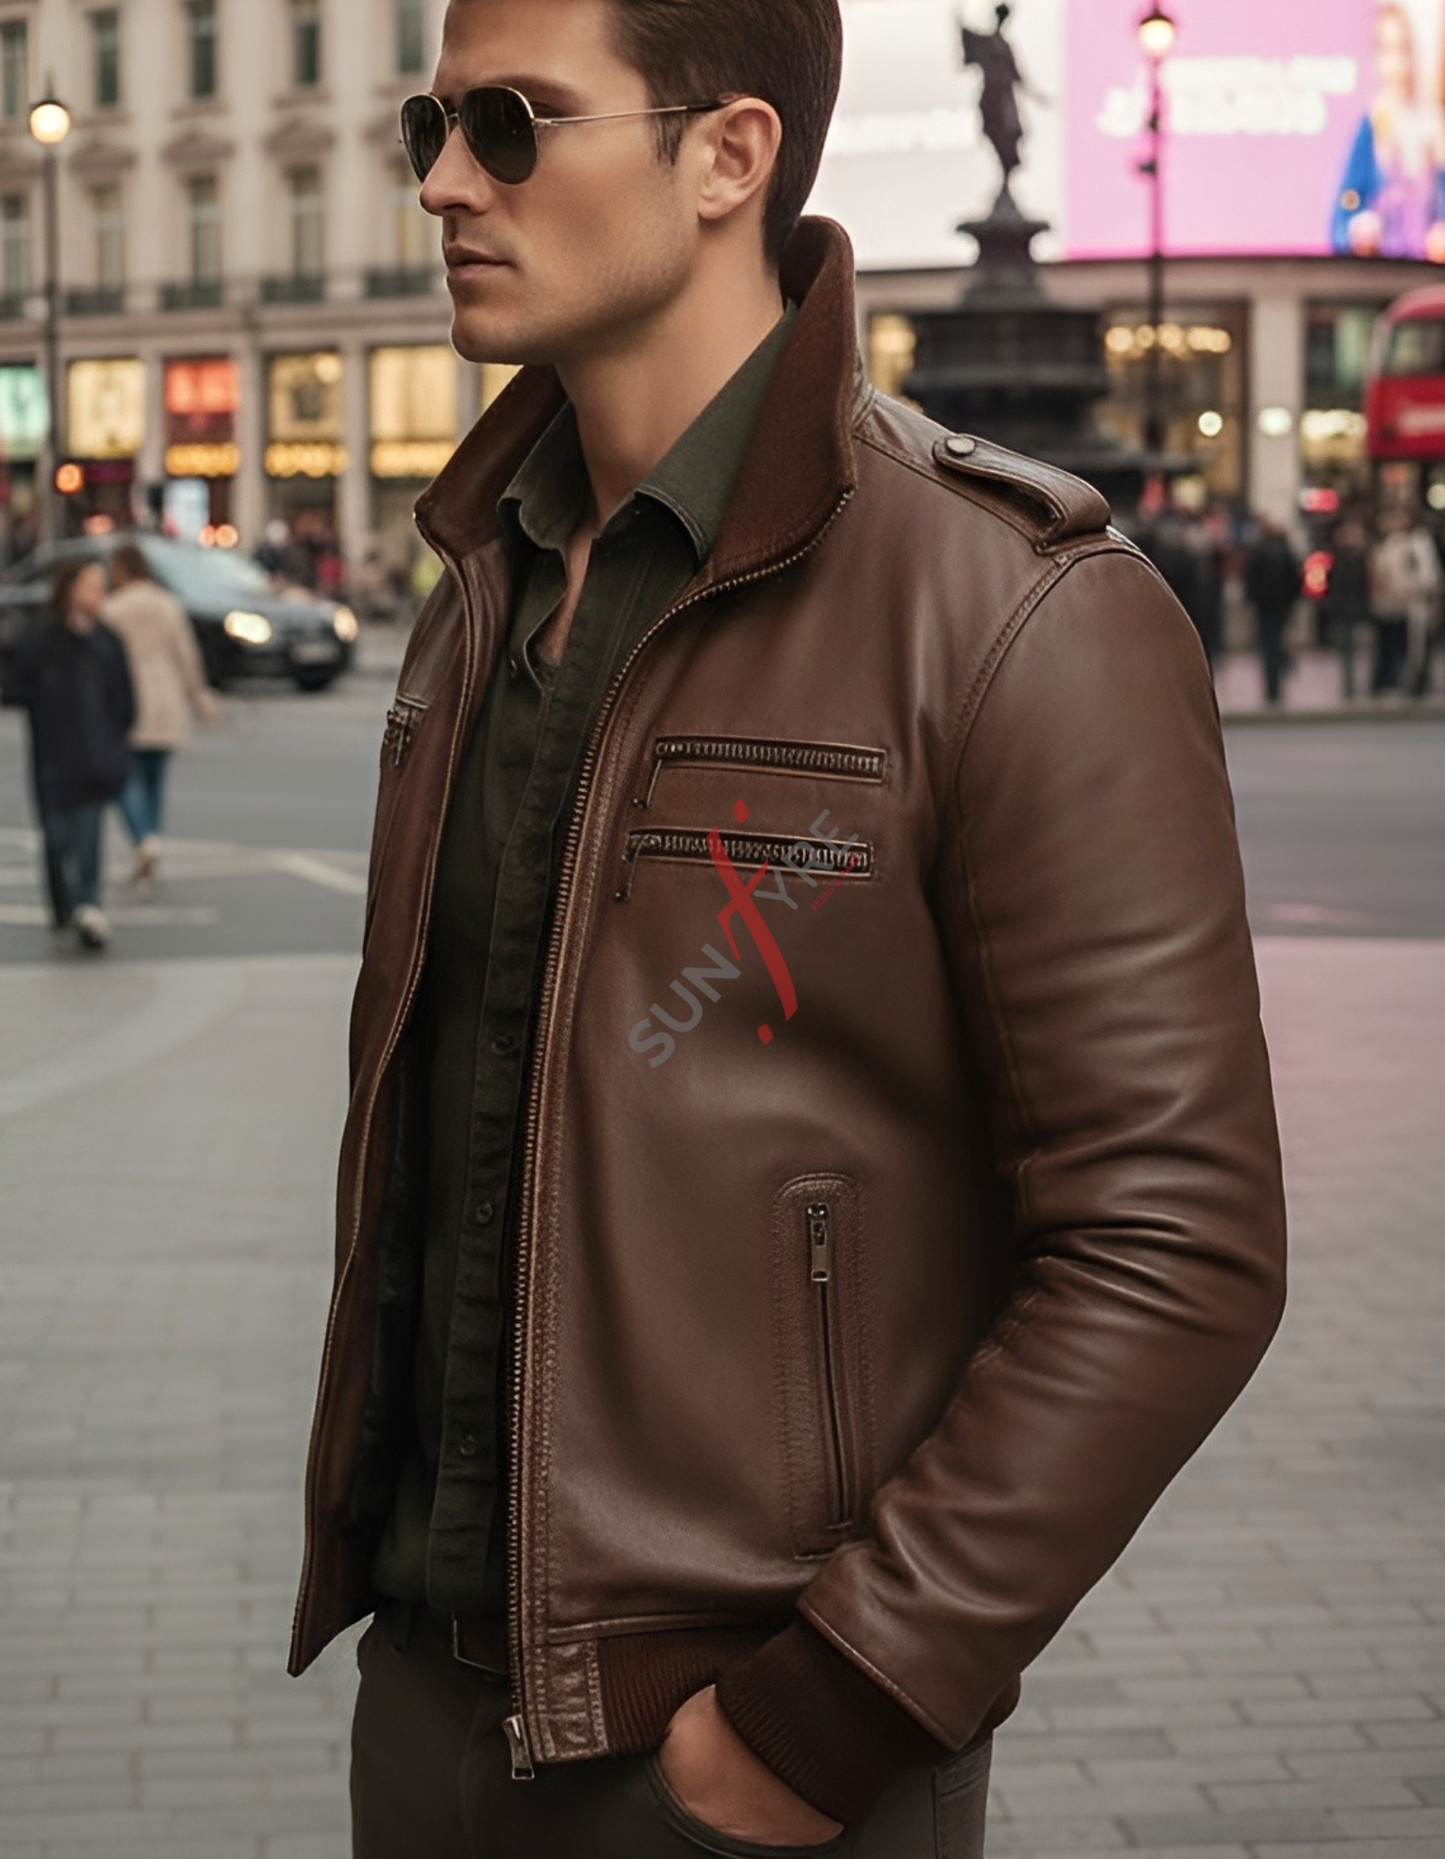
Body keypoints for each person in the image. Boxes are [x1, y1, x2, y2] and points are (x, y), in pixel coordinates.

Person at [289, 3, 1287, 1856]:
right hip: (425, 1698)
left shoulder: (1015, 605)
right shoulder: (484, 579)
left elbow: (1177, 1239)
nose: (441, 181)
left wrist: (834, 1705)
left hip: (753, 1749)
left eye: (509, 125)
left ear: (728, 155)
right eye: (431, 123)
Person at [0, 558, 134, 950]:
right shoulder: (42, 639)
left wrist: (118, 739)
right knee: (57, 837)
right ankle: (63, 905)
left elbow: (124, 697)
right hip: (54, 755)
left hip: (97, 753)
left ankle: (88, 906)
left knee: (90, 835)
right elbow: (15, 684)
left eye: (100, 586)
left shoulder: (107, 641)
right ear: (69, 589)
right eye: (90, 585)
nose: (97, 594)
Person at [103, 541, 220, 887]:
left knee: (123, 779)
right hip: (166, 702)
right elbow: (187, 656)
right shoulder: (167, 605)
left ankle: (143, 839)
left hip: (128, 703)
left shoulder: (112, 609)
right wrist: (198, 696)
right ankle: (151, 840)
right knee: (154, 782)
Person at [1331, 1, 1445, 262]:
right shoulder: (1371, 127)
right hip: (1377, 276)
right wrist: (1356, 224)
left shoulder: (1434, 127)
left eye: (1402, 50)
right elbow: (1348, 199)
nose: (1394, 65)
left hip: (1429, 276)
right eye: (1385, 51)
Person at [1369, 504, 1436, 694]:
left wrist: (1410, 591)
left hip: (1411, 603)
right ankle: (1391, 682)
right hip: (1388, 604)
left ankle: (1417, 684)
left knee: (1415, 647)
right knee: (1391, 646)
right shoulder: (1387, 544)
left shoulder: (1418, 544)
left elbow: (1426, 576)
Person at [1244, 516, 1302, 705]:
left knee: (1268, 645)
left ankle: (1272, 685)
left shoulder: (1258, 552)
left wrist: (1251, 601)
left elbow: (1251, 580)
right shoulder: (1285, 552)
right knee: (1276, 643)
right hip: (1280, 606)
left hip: (1265, 606)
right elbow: (1295, 581)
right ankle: (1276, 682)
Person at [1323, 515, 1371, 700]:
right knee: (1346, 648)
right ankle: (1348, 685)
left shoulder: (1361, 557)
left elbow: (1365, 585)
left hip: (1356, 607)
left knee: (1356, 650)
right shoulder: (1337, 557)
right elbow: (1332, 584)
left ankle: (1353, 684)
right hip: (1344, 608)